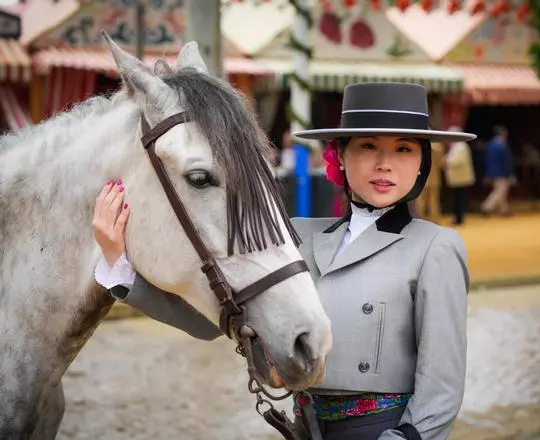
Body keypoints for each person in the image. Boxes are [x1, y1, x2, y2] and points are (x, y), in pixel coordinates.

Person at [92, 82, 472, 440]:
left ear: (423, 163)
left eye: (404, 150)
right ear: (339, 156)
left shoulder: (436, 247)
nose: (385, 164)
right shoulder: (296, 235)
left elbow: (441, 388)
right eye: (368, 146)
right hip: (303, 428)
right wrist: (119, 266)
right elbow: (213, 323)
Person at [443, 126, 475, 225]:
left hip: (461, 179)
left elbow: (457, 161)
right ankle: (457, 217)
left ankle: (459, 219)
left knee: (459, 199)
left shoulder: (461, 146)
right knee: (457, 199)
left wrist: (446, 161)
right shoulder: (456, 146)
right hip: (457, 179)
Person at [481, 125, 514, 216]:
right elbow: (506, 161)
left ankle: (504, 210)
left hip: (492, 172)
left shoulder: (490, 145)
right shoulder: (502, 146)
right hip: (501, 172)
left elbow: (487, 160)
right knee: (499, 191)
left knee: (501, 191)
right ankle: (486, 207)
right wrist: (509, 174)